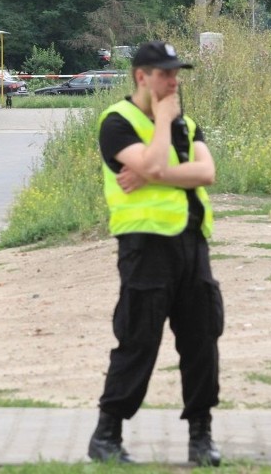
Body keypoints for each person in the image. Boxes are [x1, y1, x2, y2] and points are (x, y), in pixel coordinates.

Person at [89, 41, 223, 467]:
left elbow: (206, 172)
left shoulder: (188, 124)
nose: (173, 81)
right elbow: (152, 162)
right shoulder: (116, 122)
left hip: (191, 243)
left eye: (176, 73)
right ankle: (106, 435)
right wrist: (162, 124)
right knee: (138, 340)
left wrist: (155, 172)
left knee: (202, 340)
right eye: (165, 73)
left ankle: (201, 436)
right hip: (144, 246)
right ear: (141, 76)